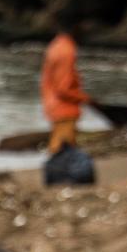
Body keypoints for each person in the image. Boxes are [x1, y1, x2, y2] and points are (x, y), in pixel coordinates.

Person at [41, 17, 89, 154]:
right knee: (61, 151)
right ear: (75, 28)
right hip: (64, 108)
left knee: (60, 148)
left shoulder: (56, 45)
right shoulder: (67, 50)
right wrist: (86, 99)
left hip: (53, 105)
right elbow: (64, 89)